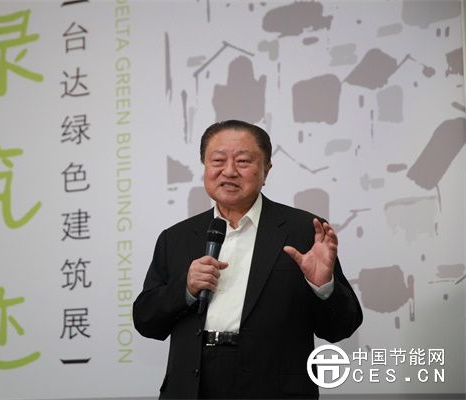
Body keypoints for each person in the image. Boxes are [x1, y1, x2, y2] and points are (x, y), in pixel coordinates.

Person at [133, 120, 363, 399]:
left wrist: (323, 287)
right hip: (193, 387)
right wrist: (186, 288)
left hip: (274, 388)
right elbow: (146, 321)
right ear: (205, 167)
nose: (229, 171)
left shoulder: (303, 231)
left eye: (243, 161)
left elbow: (341, 328)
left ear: (266, 170)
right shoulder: (176, 237)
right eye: (218, 160)